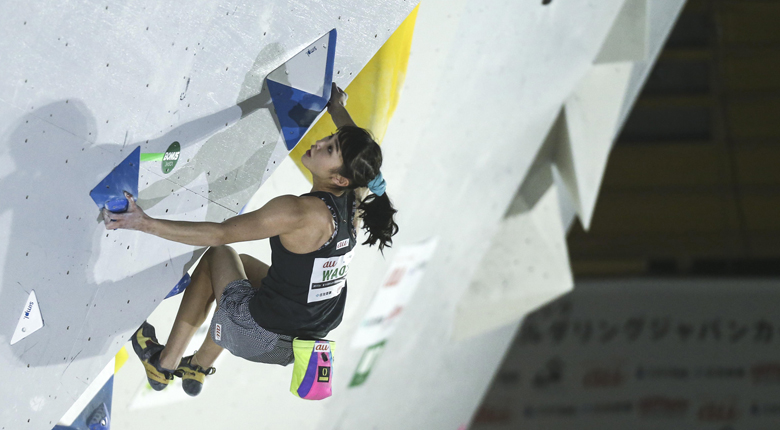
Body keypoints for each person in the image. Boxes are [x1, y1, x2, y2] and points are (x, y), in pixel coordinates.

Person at [103, 83, 398, 396]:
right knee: (241, 266)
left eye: (329, 149)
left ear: (339, 179)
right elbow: (361, 161)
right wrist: (336, 109)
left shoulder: (299, 212)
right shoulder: (356, 196)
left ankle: (163, 364)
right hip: (301, 342)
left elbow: (219, 233)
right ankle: (198, 366)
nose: (320, 141)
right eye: (331, 138)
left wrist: (143, 222)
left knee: (219, 256)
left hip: (259, 337)